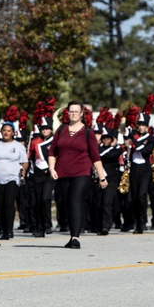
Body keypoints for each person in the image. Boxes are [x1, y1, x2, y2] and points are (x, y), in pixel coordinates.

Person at [48, 102, 107, 249]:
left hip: (81, 172)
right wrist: (51, 168)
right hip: (62, 173)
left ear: (81, 114)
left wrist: (102, 177)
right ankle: (72, 235)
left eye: (76, 111)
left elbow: (95, 156)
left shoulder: (88, 132)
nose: (73, 114)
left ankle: (75, 238)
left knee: (75, 201)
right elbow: (52, 152)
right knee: (66, 203)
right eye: (71, 111)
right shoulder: (61, 129)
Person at [0, 121, 27, 240]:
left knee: (8, 203)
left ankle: (9, 230)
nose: (6, 132)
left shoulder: (18, 146)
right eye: (4, 130)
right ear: (1, 132)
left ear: (13, 133)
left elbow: (24, 162)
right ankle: (2, 227)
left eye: (9, 131)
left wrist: (23, 170)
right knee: (0, 205)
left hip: (12, 178)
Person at [127, 113, 154, 234]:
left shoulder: (151, 138)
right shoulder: (134, 137)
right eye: (139, 125)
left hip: (145, 170)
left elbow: (145, 151)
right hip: (134, 169)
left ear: (147, 127)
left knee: (141, 195)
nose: (141, 128)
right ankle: (138, 223)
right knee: (133, 197)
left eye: (143, 125)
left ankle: (143, 220)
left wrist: (133, 138)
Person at [27, 117, 55, 238]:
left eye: (47, 129)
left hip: (49, 174)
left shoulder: (55, 141)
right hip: (37, 173)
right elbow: (31, 156)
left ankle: (47, 224)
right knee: (37, 201)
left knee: (45, 199)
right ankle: (39, 228)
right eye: (43, 129)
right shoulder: (35, 141)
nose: (45, 131)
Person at [94, 126, 121, 235]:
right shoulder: (97, 149)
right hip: (99, 178)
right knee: (98, 203)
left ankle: (106, 226)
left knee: (107, 202)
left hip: (111, 180)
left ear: (111, 140)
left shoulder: (116, 150)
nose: (106, 141)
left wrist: (97, 154)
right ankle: (99, 225)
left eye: (108, 139)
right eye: (104, 139)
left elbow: (108, 156)